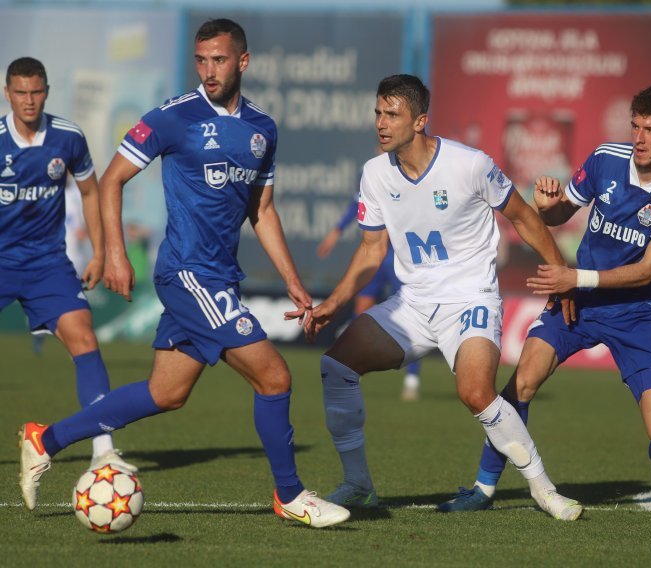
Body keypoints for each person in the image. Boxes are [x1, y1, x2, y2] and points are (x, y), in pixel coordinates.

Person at [18, 19, 349, 528]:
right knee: (275, 375)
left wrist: (293, 280)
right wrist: (116, 254)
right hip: (187, 274)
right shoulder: (175, 117)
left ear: (243, 61)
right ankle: (290, 496)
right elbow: (111, 180)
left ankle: (46, 439)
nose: (208, 70)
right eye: (201, 60)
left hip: (221, 275)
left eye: (219, 60)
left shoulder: (263, 128)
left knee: (165, 393)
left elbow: (262, 211)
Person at [304, 74, 583, 520]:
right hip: (411, 304)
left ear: (420, 121)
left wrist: (561, 272)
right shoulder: (375, 174)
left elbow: (524, 217)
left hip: (471, 297)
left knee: (475, 392)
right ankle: (357, 484)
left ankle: (543, 489)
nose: (381, 122)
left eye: (392, 113)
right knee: (336, 366)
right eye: (378, 112)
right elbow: (372, 249)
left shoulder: (469, 164)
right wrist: (334, 303)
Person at [441, 85, 651, 519]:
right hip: (578, 303)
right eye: (635, 126)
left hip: (638, 314)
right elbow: (557, 214)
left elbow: (648, 270)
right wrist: (546, 204)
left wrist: (574, 275)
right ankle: (482, 487)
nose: (639, 138)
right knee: (521, 385)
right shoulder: (605, 159)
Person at [1, 57, 136, 472]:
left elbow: (92, 193)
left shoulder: (68, 138)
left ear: (46, 91)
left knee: (85, 339)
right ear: (8, 93)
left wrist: (99, 252)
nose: (29, 100)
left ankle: (103, 453)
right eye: (21, 92)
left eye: (36, 91)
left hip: (47, 264)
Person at [317, 192, 422, 401]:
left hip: (399, 256)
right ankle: (352, 371)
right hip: (374, 255)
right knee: (360, 312)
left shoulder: (409, 170)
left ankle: (412, 381)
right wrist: (336, 232)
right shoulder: (372, 172)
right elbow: (355, 207)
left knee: (413, 318)